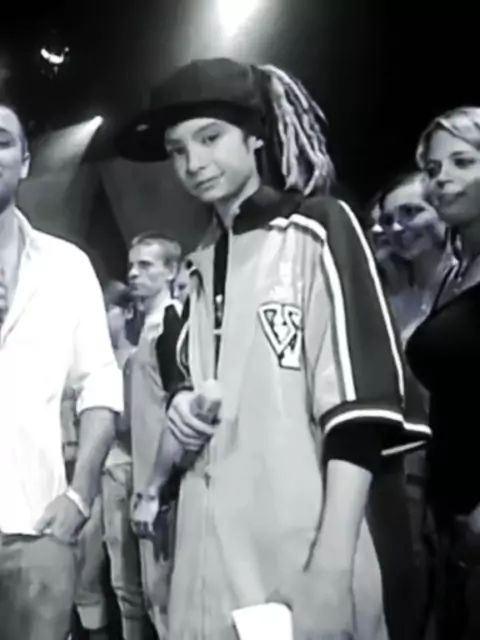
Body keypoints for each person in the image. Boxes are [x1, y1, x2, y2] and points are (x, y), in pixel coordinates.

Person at [117, 57, 430, 640]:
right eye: (178, 149)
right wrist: (183, 403)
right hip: (206, 564)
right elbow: (190, 376)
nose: (193, 162)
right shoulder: (200, 265)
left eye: (210, 138)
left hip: (302, 560)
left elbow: (359, 416)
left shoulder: (317, 228)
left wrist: (330, 572)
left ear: (255, 135)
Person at [0, 93, 122, 640]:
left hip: (37, 530)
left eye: (1, 142)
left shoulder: (67, 267)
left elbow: (100, 383)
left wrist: (80, 494)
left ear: (25, 161)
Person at [406, 106, 480, 640]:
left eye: (462, 162)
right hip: (449, 518)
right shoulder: (455, 273)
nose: (442, 179)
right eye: (433, 169)